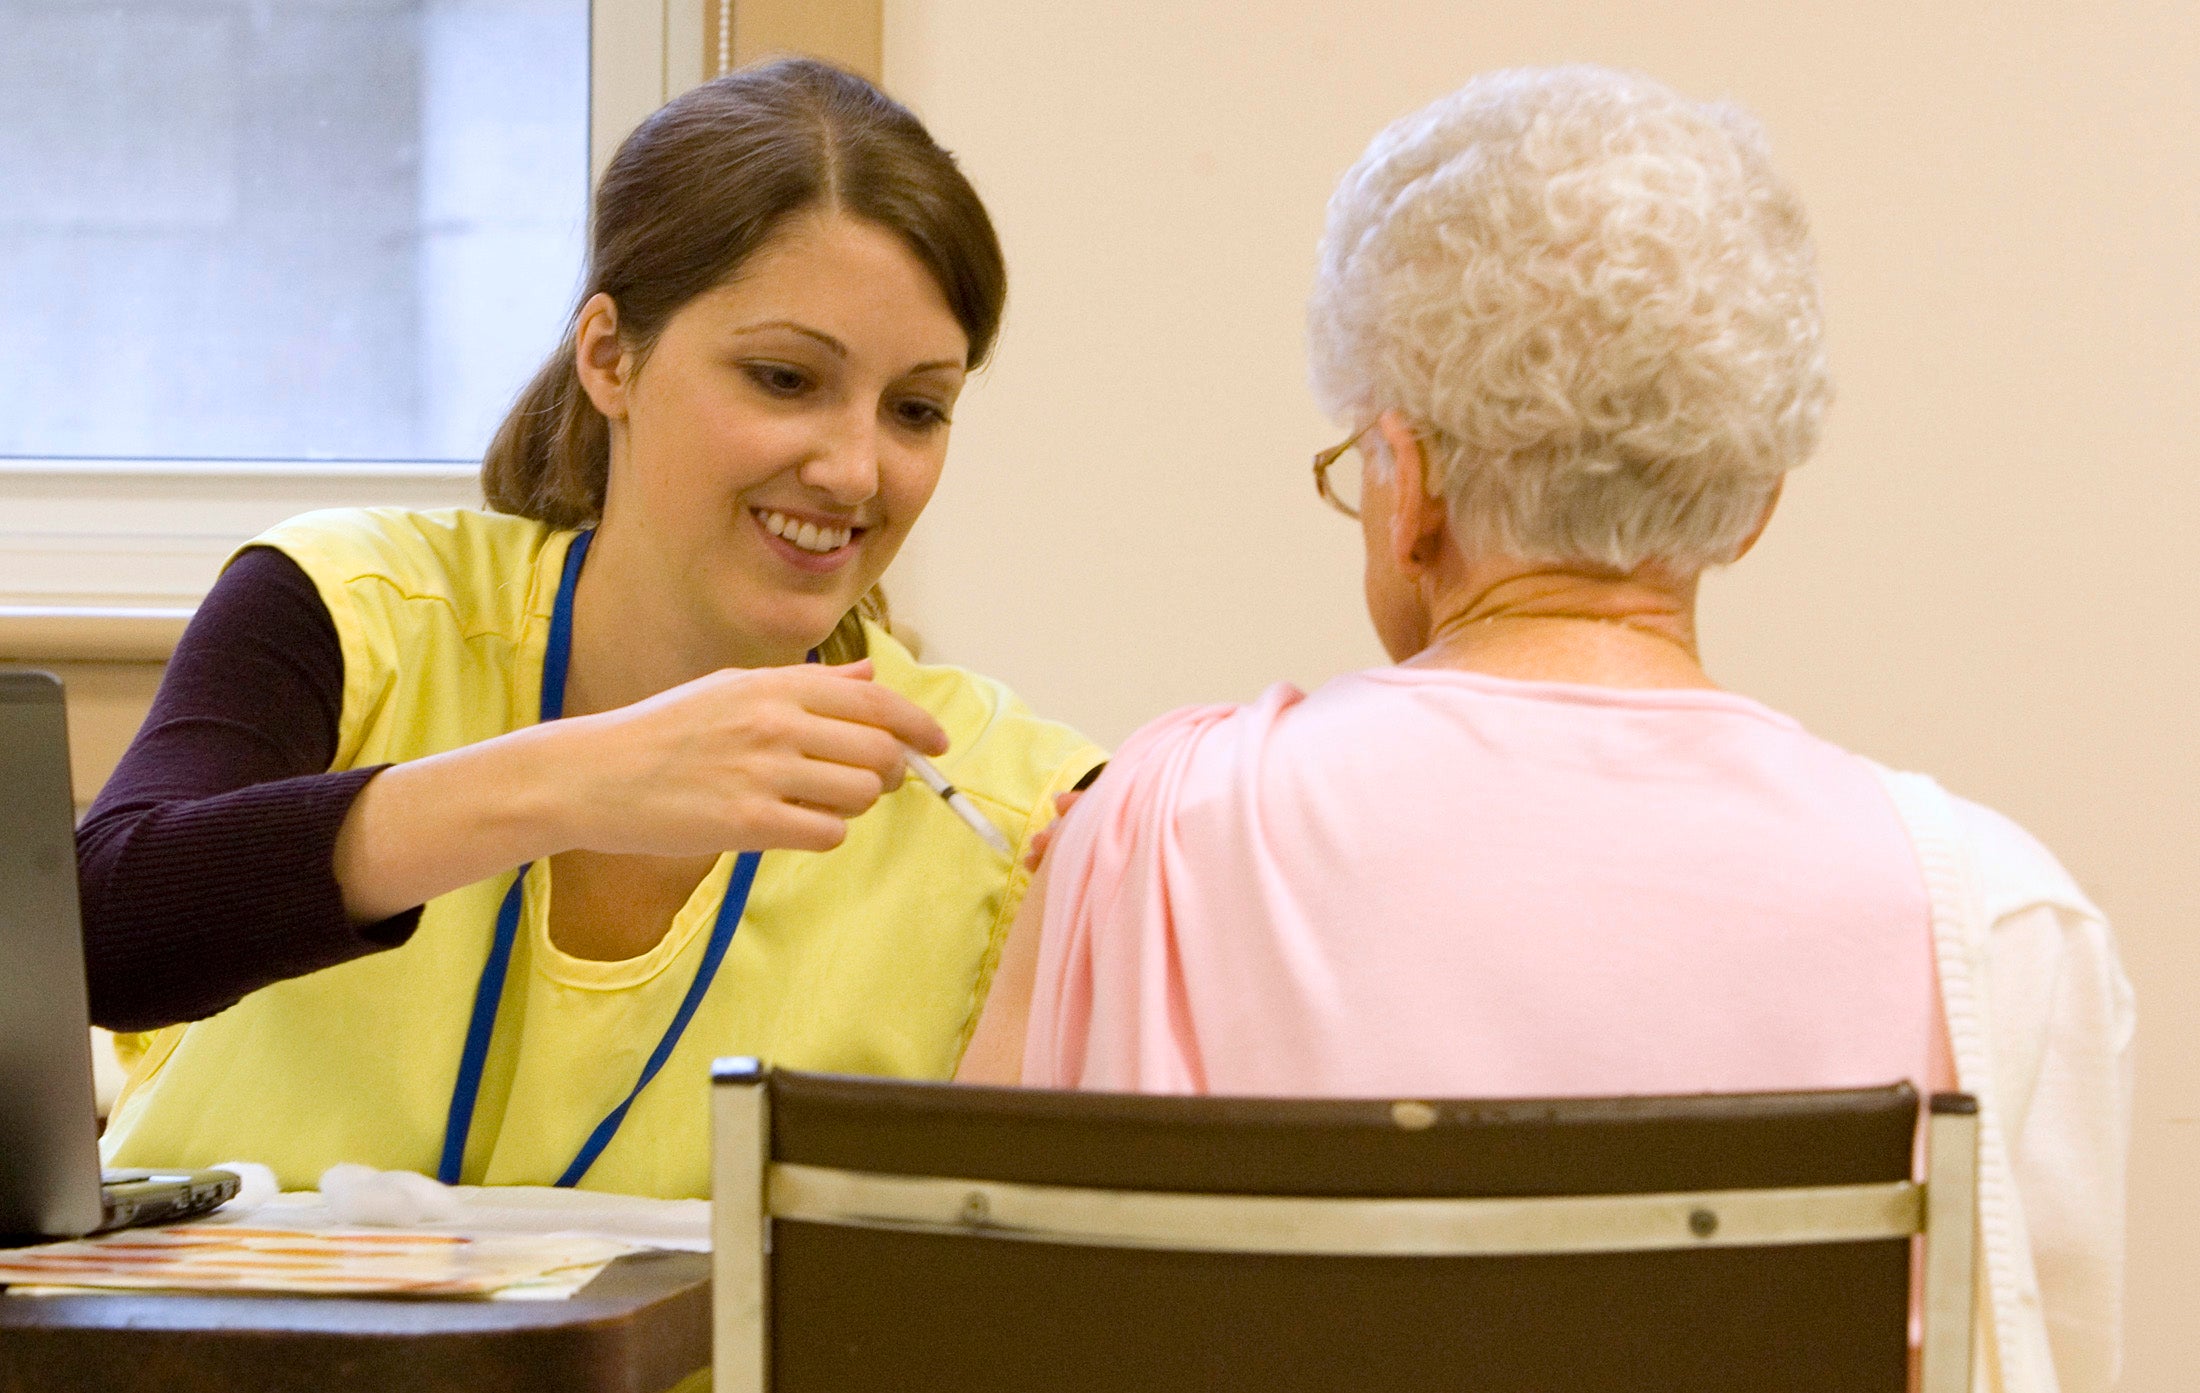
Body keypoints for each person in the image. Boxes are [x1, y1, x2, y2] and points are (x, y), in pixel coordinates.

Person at [960, 67, 2130, 1393]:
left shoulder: (1152, 834)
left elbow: (962, 1324)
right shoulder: (2001, 920)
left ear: (1410, 488)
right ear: (1754, 503)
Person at [88, 59, 1103, 1199]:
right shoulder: (350, 601)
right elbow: (100, 931)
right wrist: (579, 778)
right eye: (783, 378)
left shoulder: (1013, 804)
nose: (854, 467)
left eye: (917, 410)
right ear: (610, 354)